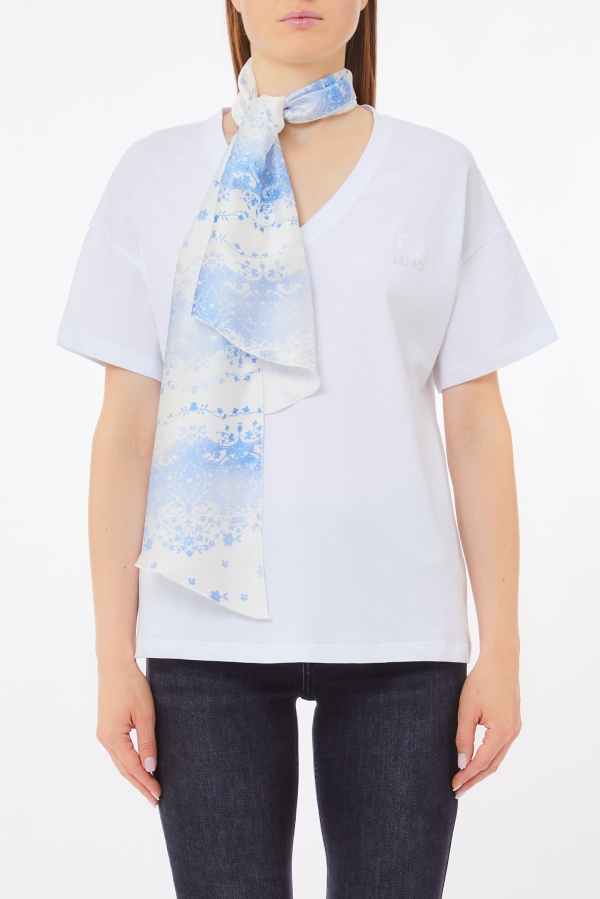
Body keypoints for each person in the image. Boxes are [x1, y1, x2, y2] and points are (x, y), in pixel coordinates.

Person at [56, 1, 558, 897]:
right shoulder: (152, 175)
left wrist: (503, 651)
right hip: (202, 631)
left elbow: (478, 424)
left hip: (401, 626)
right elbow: (126, 430)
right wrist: (111, 656)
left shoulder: (438, 172)